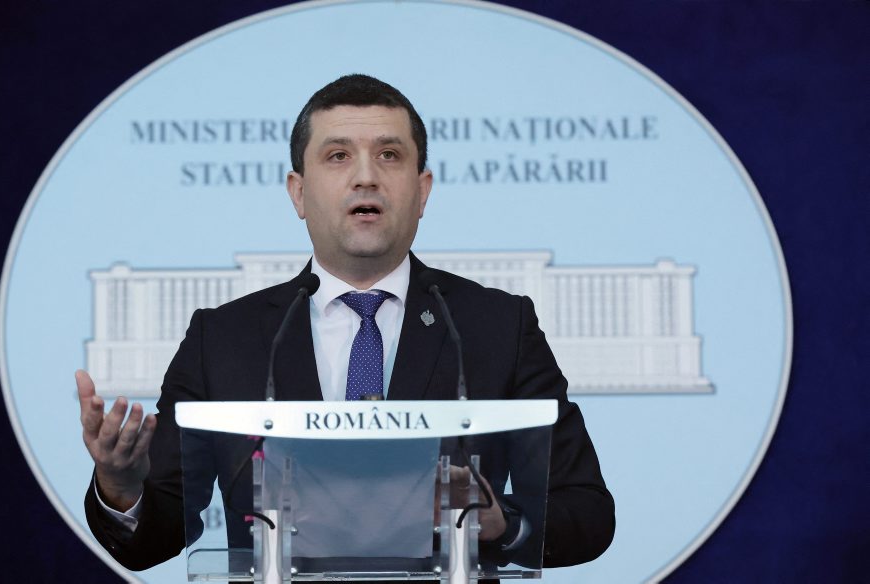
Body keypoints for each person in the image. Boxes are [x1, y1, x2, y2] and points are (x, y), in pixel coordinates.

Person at [78, 74, 614, 573]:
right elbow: (155, 536)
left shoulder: (496, 326)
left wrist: (502, 522)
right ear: (298, 192)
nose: (366, 176)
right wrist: (121, 486)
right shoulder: (222, 340)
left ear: (423, 190)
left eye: (389, 155)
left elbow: (587, 511)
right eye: (338, 156)